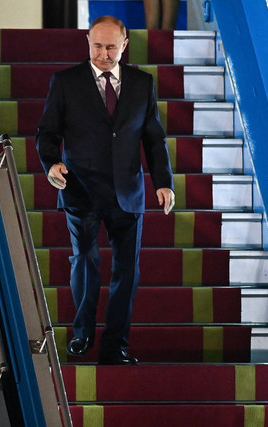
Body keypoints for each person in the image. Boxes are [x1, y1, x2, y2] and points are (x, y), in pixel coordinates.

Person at [36, 15, 175, 365]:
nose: (103, 53)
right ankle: (82, 333)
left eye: (111, 47)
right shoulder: (65, 82)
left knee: (126, 271)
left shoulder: (143, 84)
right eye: (97, 45)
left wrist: (163, 183)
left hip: (128, 193)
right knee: (85, 260)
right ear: (88, 41)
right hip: (80, 190)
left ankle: (116, 345)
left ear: (124, 45)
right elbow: (47, 133)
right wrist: (51, 163)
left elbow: (154, 139)